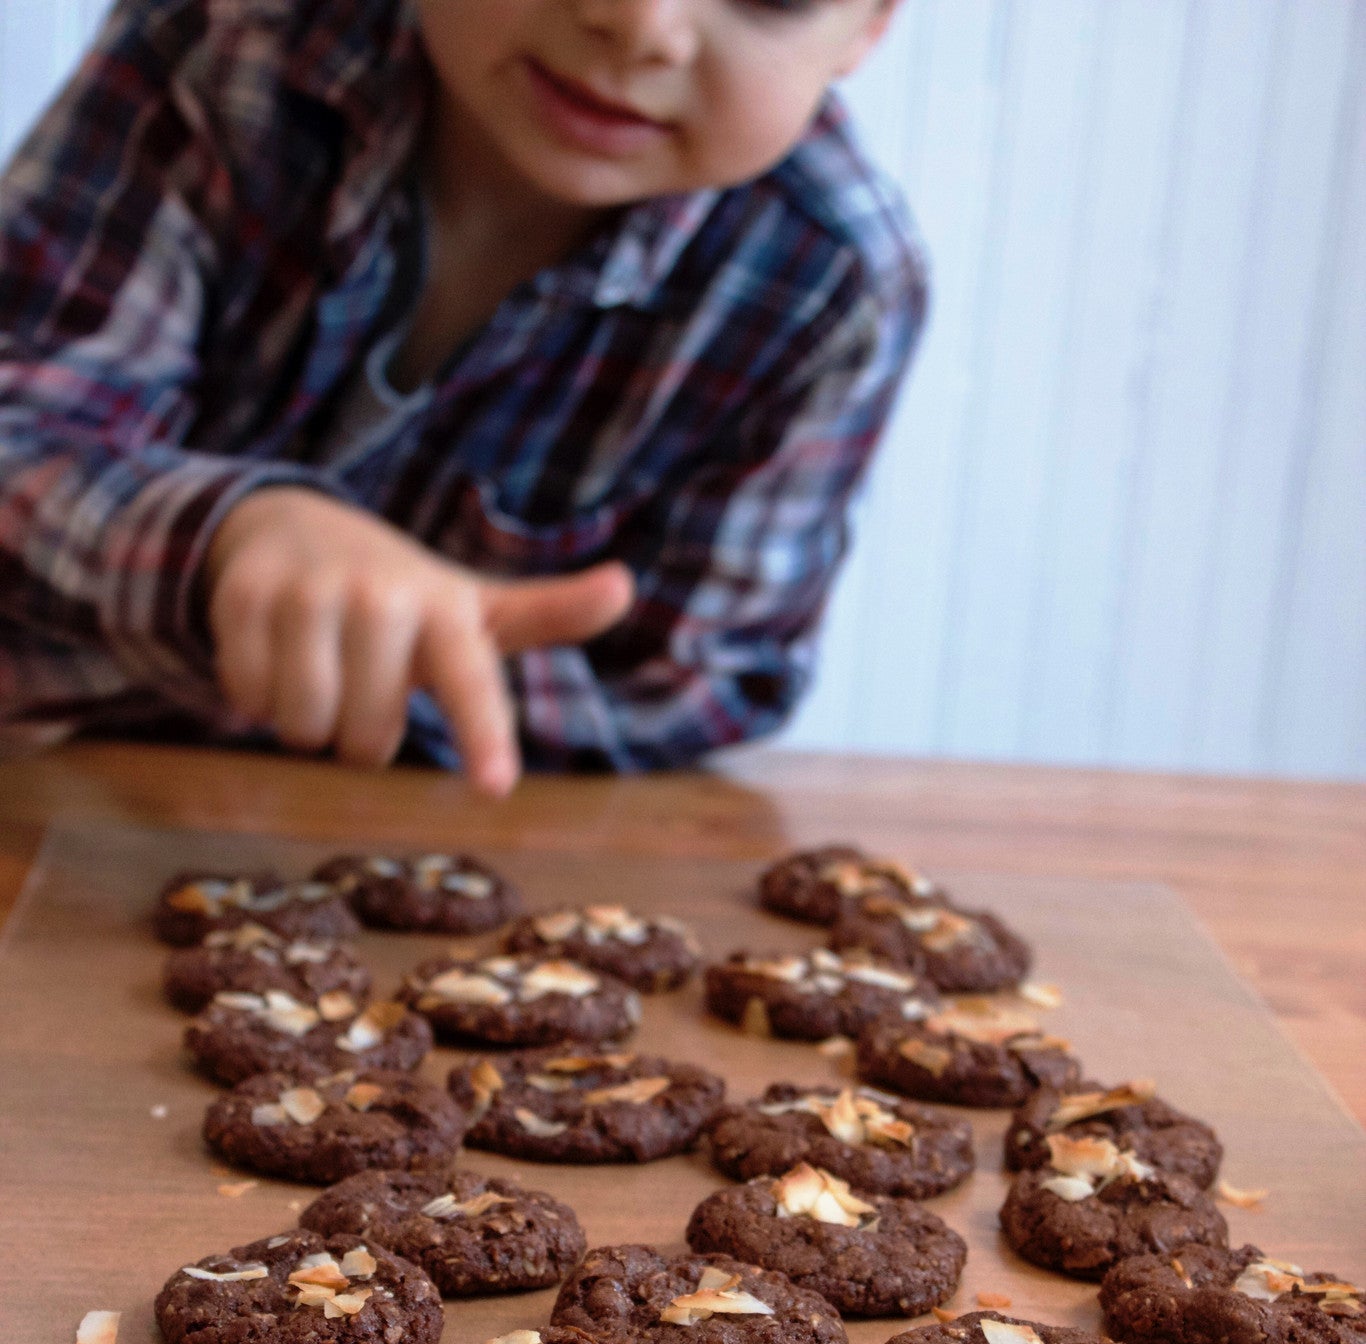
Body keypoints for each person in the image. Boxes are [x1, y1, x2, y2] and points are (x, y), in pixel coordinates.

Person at [0, 0, 925, 792]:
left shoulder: (832, 286)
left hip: (450, 832)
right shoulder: (223, 44)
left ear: (868, 26)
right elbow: (24, 431)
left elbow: (694, 682)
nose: (638, 25)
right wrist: (230, 537)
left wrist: (388, 654)